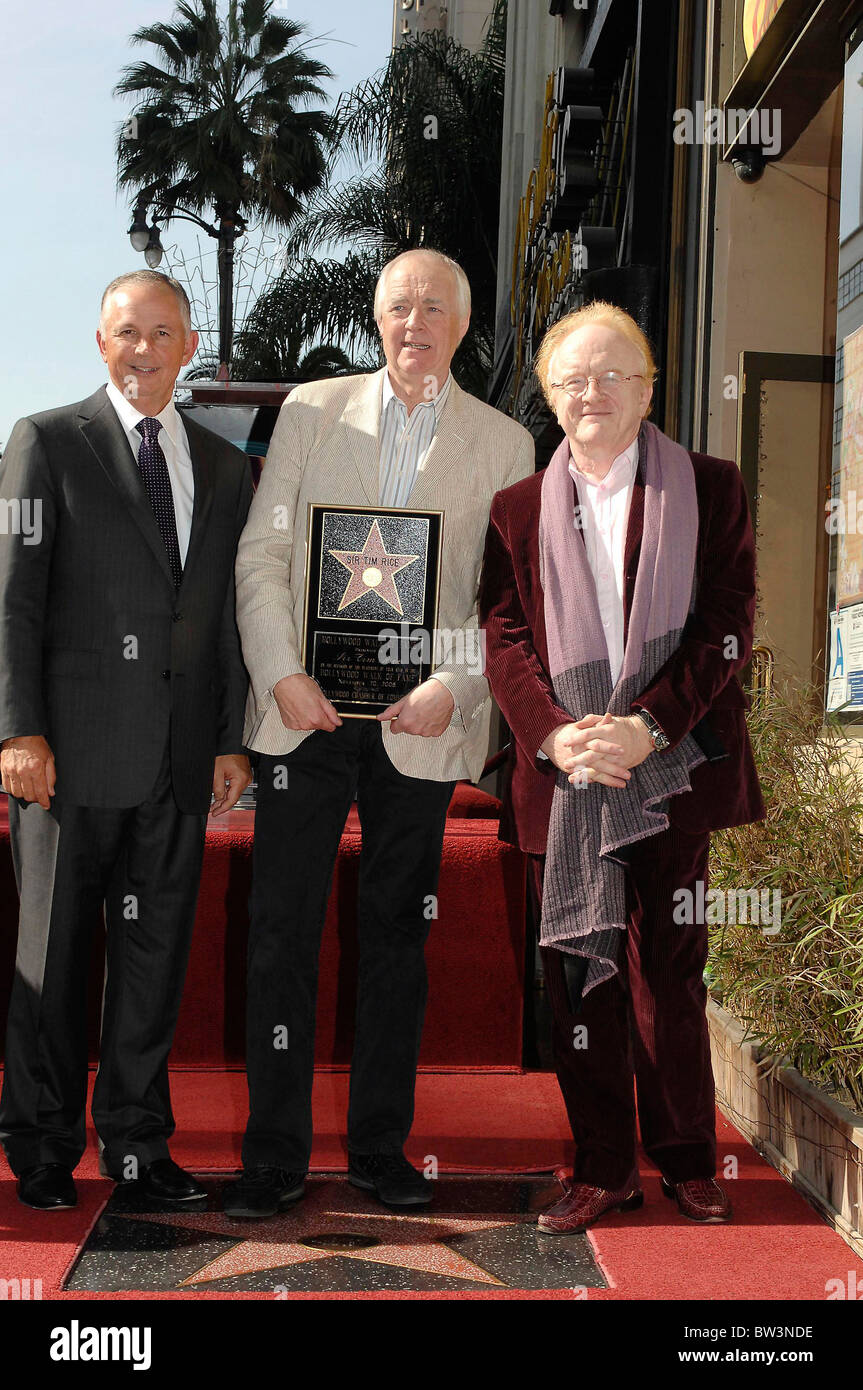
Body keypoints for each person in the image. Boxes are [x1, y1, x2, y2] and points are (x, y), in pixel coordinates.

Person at [226, 248, 534, 1217]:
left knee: (397, 937)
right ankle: (271, 1157)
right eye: (399, 306)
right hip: (301, 714)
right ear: (375, 318)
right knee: (280, 935)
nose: (414, 323)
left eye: (434, 308)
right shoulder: (311, 411)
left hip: (420, 724)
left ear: (462, 323)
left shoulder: (502, 443)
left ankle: (379, 1150)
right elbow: (265, 549)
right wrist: (279, 670)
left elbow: (501, 599)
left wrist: (451, 680)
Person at [478, 302, 764, 1233]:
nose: (589, 392)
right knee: (575, 974)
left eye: (611, 375)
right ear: (550, 399)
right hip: (562, 780)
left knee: (668, 972)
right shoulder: (516, 508)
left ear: (647, 387)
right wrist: (558, 735)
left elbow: (727, 622)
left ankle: (686, 1160)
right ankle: (602, 1166)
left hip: (671, 768)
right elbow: (503, 633)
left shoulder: (711, 489)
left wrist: (646, 728)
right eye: (570, 379)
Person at [0, 270, 253, 1211]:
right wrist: (18, 729)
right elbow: (12, 597)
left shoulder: (224, 468)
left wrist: (230, 741)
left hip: (178, 766)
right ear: (98, 344)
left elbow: (220, 611)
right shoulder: (46, 442)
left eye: (160, 333)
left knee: (152, 970)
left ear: (189, 345)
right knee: (55, 958)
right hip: (65, 760)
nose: (141, 349)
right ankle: (41, 1144)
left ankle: (138, 1147)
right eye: (123, 333)